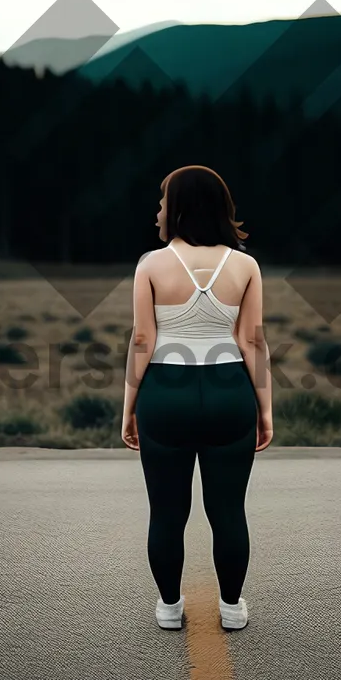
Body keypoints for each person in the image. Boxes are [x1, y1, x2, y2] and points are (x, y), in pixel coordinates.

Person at [121, 165, 273, 631]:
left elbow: (142, 340)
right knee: (228, 510)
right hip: (230, 394)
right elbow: (253, 341)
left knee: (167, 512)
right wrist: (264, 409)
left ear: (181, 208)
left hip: (166, 395)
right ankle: (231, 609)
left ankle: (169, 608)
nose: (159, 210)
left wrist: (128, 407)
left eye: (164, 201)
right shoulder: (245, 266)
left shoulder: (151, 264)